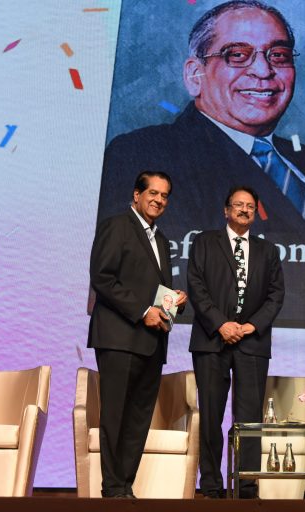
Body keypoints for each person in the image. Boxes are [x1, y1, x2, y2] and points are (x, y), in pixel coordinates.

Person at [97, 0, 305, 322]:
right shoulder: (144, 155)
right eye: (237, 55)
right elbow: (131, 271)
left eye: (278, 56)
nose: (263, 71)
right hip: (204, 340)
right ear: (195, 74)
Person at [87, 171, 187, 498]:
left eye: (164, 195)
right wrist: (144, 311)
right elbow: (102, 278)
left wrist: (172, 303)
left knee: (138, 419)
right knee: (115, 417)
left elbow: (154, 291)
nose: (159, 200)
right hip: (119, 338)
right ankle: (112, 489)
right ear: (136, 195)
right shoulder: (116, 226)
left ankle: (124, 487)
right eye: (153, 193)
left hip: (151, 343)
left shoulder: (160, 240)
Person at [187, 185, 285, 499]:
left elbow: (276, 295)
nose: (244, 210)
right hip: (211, 341)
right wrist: (221, 324)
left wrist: (250, 326)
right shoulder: (204, 242)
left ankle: (246, 483)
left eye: (250, 207)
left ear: (255, 214)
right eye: (238, 205)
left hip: (252, 343)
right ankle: (212, 484)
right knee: (211, 415)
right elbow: (197, 287)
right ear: (226, 210)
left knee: (249, 418)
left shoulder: (268, 250)